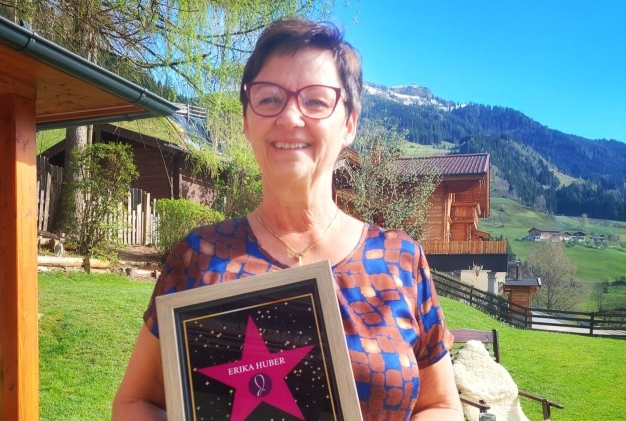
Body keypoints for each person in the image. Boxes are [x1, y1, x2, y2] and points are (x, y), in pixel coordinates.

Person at [112, 17, 462, 421]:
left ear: (349, 123)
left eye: (316, 100)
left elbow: (440, 405)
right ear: (247, 121)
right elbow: (136, 403)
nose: (290, 117)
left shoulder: (402, 260)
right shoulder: (199, 256)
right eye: (268, 98)